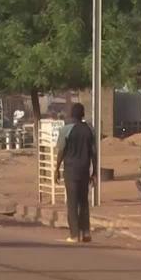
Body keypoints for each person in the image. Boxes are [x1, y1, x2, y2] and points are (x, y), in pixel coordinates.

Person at [54, 103, 96, 244]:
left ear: (72, 115)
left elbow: (61, 151)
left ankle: (74, 234)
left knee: (72, 203)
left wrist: (56, 169)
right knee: (83, 202)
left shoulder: (66, 130)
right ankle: (86, 233)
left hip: (71, 170)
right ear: (83, 114)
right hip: (85, 170)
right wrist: (94, 171)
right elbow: (93, 153)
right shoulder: (90, 130)